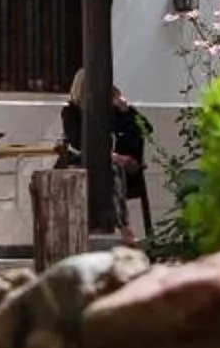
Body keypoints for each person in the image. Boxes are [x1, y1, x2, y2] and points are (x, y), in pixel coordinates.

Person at [59, 67, 155, 240]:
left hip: (113, 167)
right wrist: (112, 157)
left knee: (111, 171)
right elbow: (78, 143)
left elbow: (145, 129)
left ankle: (122, 227)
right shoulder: (71, 112)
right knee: (110, 170)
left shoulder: (112, 110)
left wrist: (126, 111)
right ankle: (124, 226)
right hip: (81, 163)